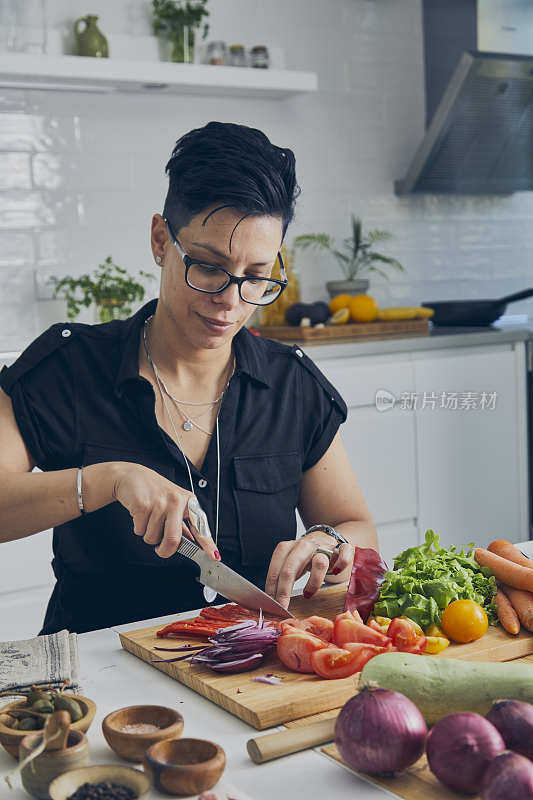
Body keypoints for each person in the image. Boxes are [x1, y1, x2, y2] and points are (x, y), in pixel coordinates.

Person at [0, 122, 378, 635]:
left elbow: (356, 525)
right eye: (208, 266)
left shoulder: (292, 385)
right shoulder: (68, 368)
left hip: (250, 671)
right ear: (161, 240)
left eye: (257, 275)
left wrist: (328, 541)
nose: (231, 298)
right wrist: (110, 480)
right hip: (97, 679)